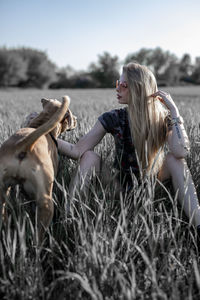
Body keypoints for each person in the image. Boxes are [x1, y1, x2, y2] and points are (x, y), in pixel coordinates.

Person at [58, 62, 200, 231]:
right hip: (119, 186)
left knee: (175, 160)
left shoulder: (163, 118)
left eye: (123, 85)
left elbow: (181, 151)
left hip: (153, 185)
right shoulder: (113, 117)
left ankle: (198, 225)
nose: (117, 89)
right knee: (89, 156)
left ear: (139, 88)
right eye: (118, 84)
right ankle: (68, 219)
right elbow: (77, 150)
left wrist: (175, 113)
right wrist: (44, 135)